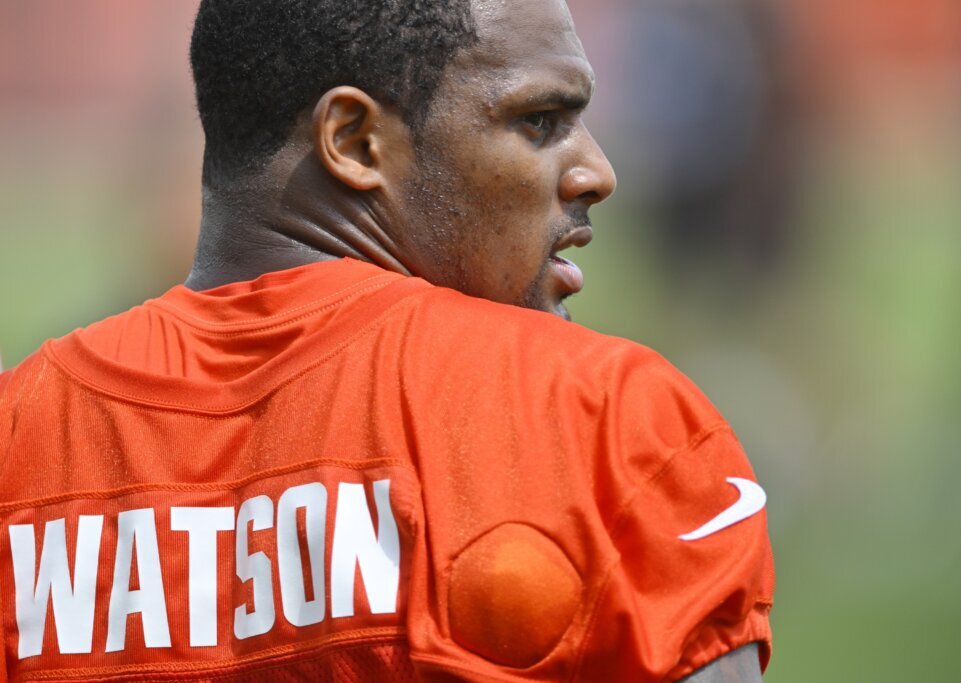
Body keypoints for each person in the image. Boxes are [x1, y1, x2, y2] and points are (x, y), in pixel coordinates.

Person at [0, 0, 773, 680]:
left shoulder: (18, 437)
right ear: (355, 141)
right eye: (539, 122)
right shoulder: (602, 416)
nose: (596, 172)